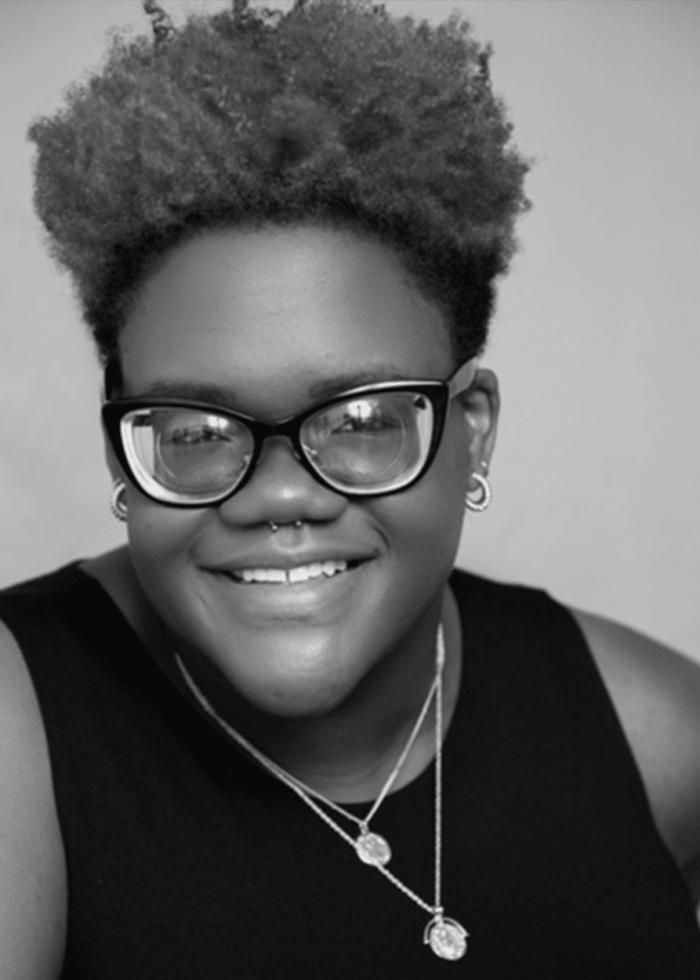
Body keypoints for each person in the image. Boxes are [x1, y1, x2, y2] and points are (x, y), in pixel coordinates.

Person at [0, 0, 699, 976]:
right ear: (125, 457)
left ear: (472, 430)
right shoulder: (16, 718)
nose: (280, 497)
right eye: (196, 431)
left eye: (362, 420)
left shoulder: (654, 732)